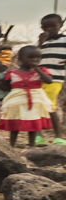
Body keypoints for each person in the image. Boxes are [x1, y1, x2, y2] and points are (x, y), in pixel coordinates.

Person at [0, 46, 52, 147]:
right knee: (15, 123)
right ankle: (11, 145)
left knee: (33, 122)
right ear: (20, 59)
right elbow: (7, 87)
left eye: (38, 57)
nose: (35, 60)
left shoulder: (41, 71)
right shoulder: (12, 73)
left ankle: (32, 145)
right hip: (17, 101)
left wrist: (37, 69)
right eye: (31, 57)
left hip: (35, 101)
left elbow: (49, 81)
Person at [37, 13, 66, 145]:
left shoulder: (64, 40)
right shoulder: (43, 41)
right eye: (45, 27)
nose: (49, 29)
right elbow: (33, 56)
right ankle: (39, 136)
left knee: (48, 106)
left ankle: (58, 136)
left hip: (55, 79)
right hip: (38, 79)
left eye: (52, 26)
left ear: (60, 26)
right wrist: (40, 44)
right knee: (38, 106)